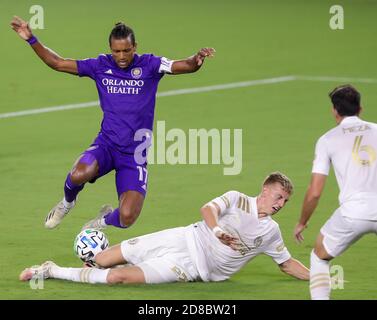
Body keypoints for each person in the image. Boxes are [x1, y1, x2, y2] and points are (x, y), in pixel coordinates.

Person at [10, 16, 215, 231]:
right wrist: (31, 39)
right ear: (110, 49)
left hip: (135, 153)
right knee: (79, 174)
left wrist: (196, 59)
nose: (122, 56)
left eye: (126, 50)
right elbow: (57, 63)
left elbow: (184, 65)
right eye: (116, 51)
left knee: (127, 217)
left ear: (135, 46)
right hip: (107, 144)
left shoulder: (151, 65)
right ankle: (67, 203)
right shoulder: (100, 65)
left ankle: (102, 221)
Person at [20, 172, 309, 285]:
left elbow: (286, 264)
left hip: (191, 267)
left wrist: (318, 278)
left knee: (118, 277)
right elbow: (208, 210)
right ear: (264, 190)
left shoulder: (270, 232)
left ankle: (50, 270)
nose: (281, 203)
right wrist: (219, 231)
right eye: (278, 196)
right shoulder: (236, 199)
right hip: (183, 236)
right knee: (102, 260)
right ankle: (91, 252)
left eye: (285, 200)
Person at [294, 85, 377, 300]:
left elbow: (315, 192)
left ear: (334, 110)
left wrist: (302, 221)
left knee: (319, 257)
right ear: (360, 108)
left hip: (352, 214)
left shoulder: (327, 140)